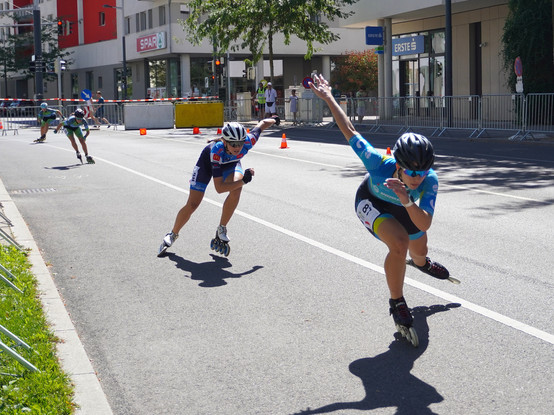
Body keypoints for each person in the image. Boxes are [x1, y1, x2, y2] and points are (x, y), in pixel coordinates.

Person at [308, 74, 449, 332]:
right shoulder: (375, 161)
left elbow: (425, 222)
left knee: (420, 249)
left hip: (404, 205)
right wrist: (328, 97)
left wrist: (406, 199)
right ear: (398, 166)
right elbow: (349, 129)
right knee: (399, 244)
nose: (418, 178)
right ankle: (397, 302)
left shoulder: (429, 180)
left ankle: (421, 264)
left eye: (423, 171)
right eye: (412, 172)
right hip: (372, 200)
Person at [158, 118, 277, 257]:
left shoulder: (248, 142)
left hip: (231, 164)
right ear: (224, 142)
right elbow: (219, 188)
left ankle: (222, 228)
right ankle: (173, 234)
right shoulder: (217, 150)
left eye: (240, 143)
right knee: (193, 204)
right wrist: (244, 180)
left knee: (236, 189)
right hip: (207, 166)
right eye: (233, 143)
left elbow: (262, 124)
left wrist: (274, 119)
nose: (237, 147)